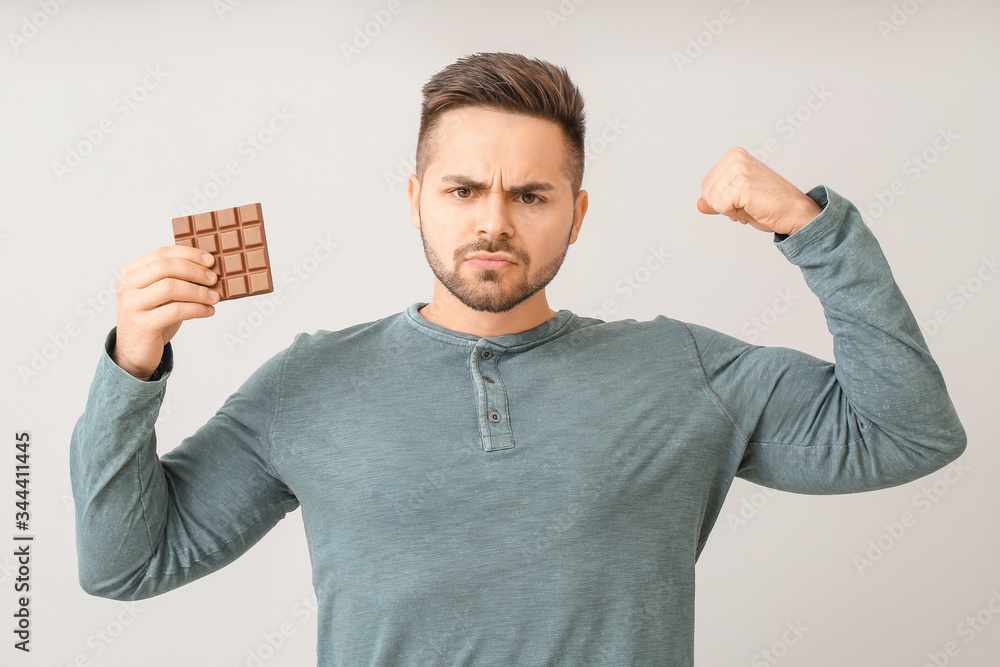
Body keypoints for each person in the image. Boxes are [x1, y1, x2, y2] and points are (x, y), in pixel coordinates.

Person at [70, 52, 966, 666]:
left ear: (576, 214)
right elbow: (125, 562)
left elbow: (909, 432)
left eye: (531, 194)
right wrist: (132, 365)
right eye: (463, 189)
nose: (493, 221)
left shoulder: (684, 369)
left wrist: (815, 231)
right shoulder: (309, 383)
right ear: (418, 200)